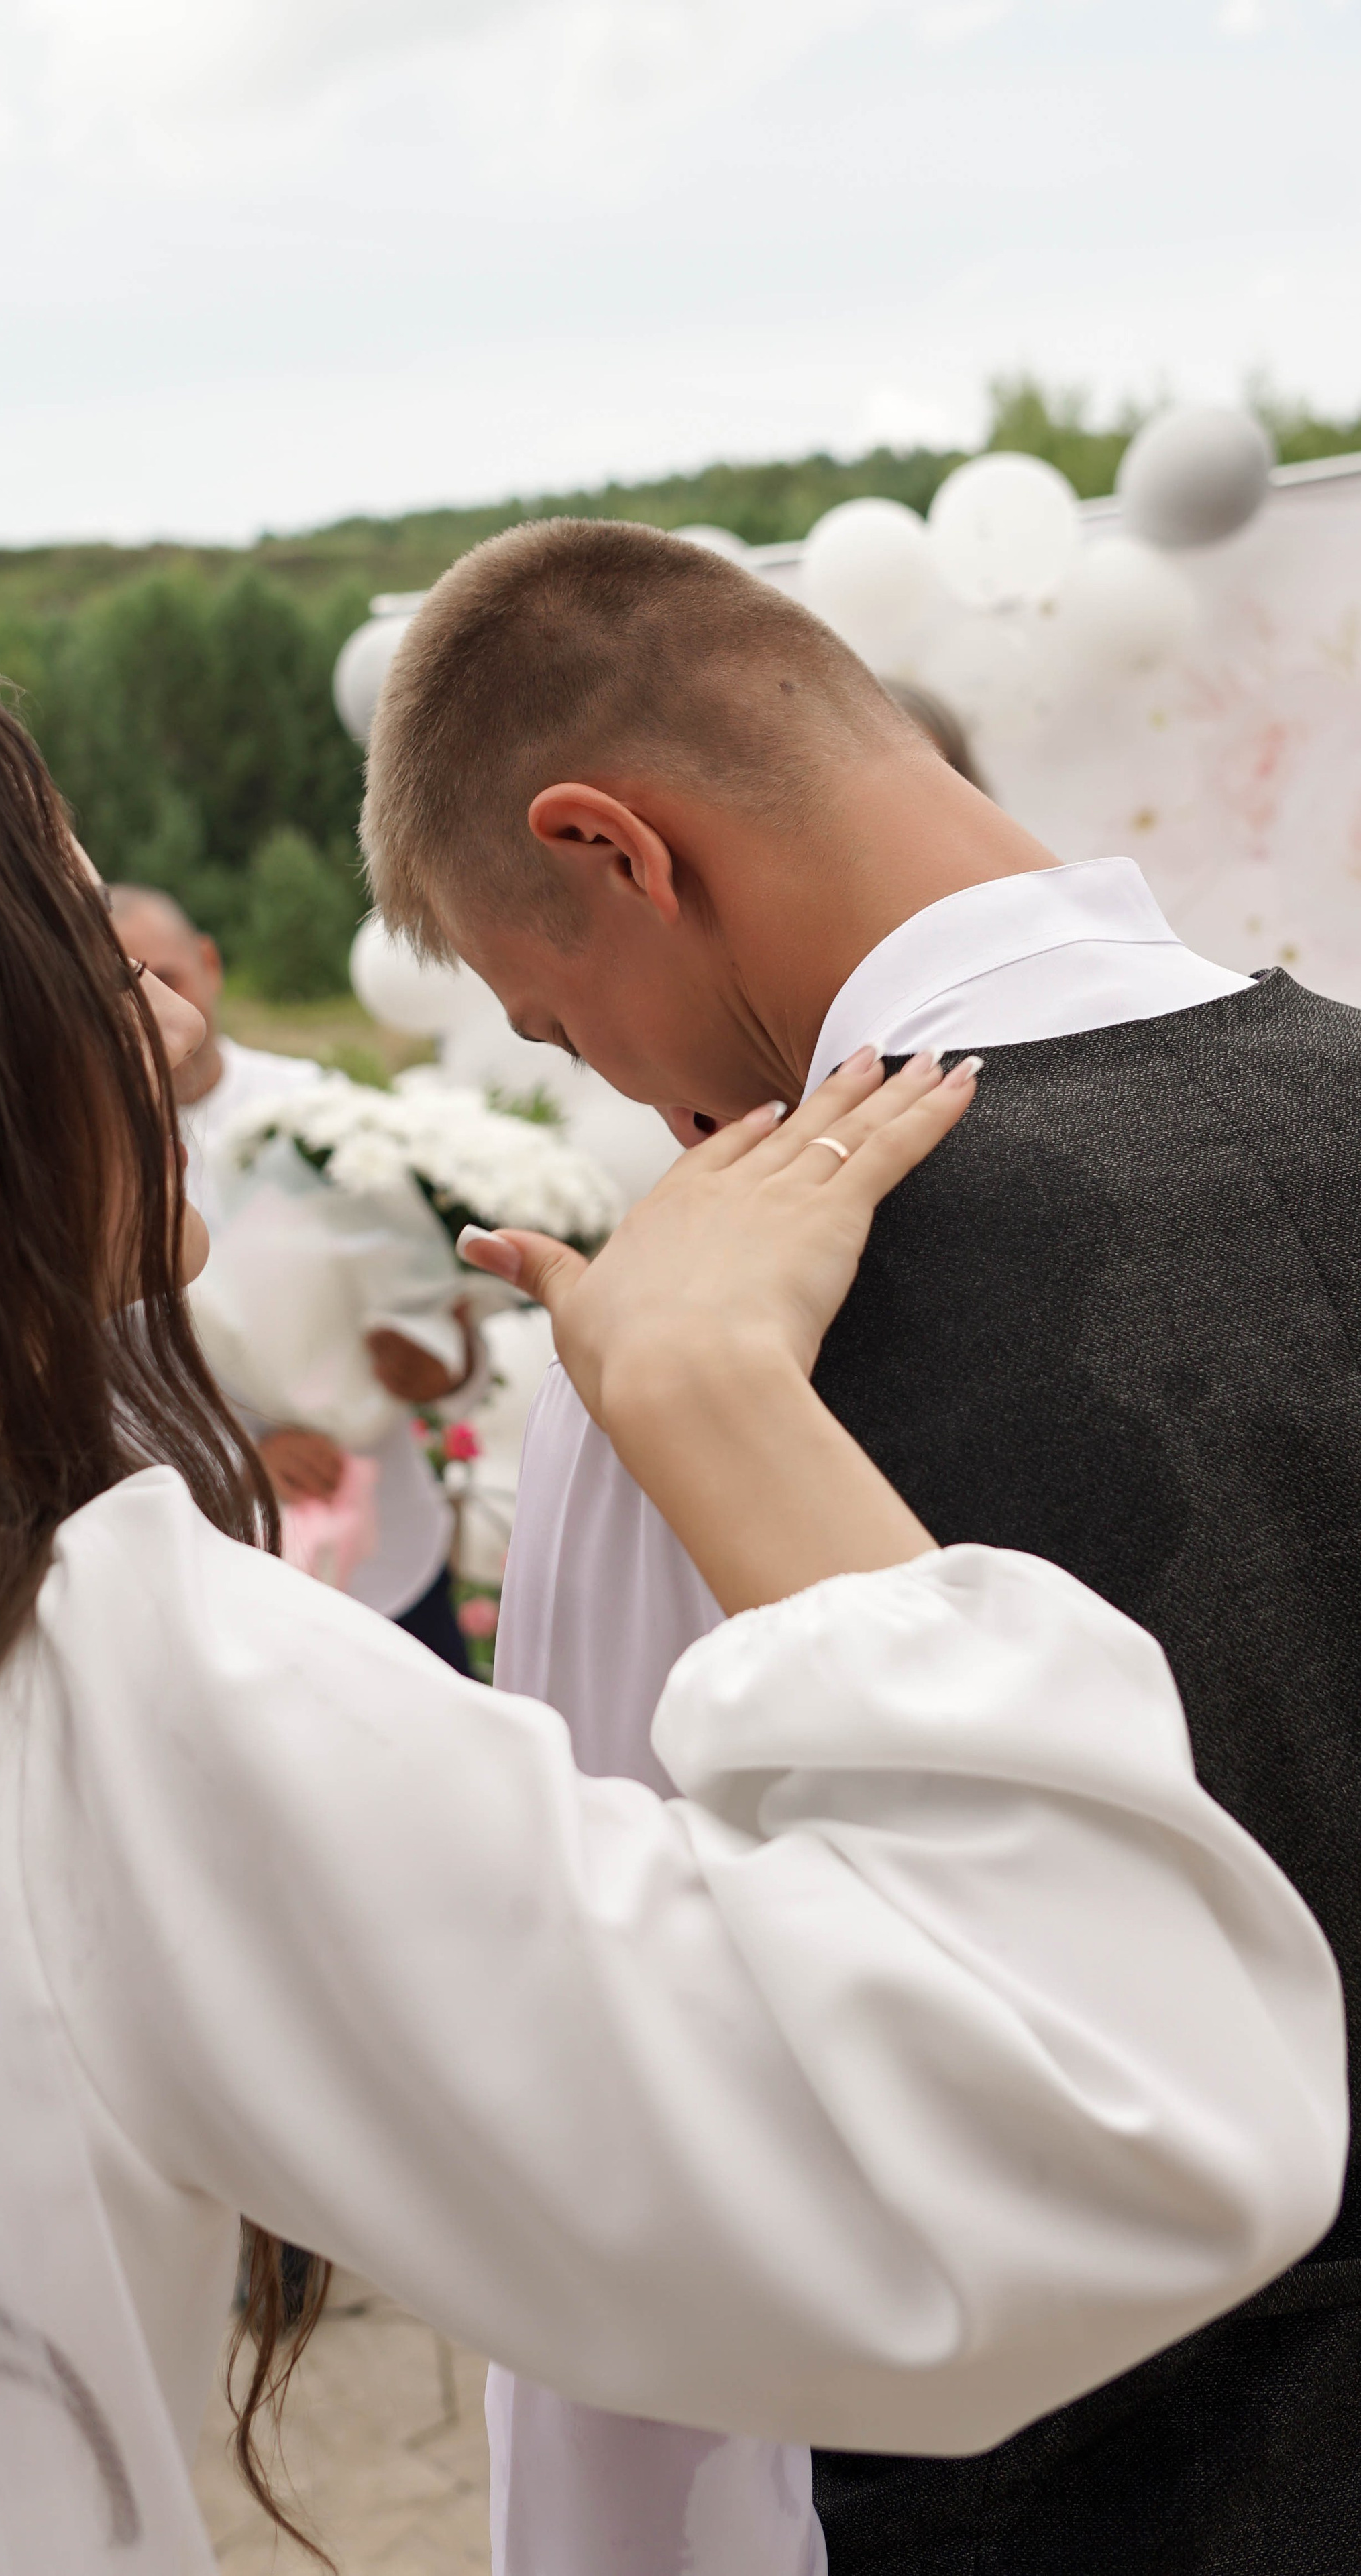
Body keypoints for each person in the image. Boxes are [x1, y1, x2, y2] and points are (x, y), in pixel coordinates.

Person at [0, 672, 1346, 2576]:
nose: (178, 1020)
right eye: (88, 962)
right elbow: (1112, 2133)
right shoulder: (91, 1685)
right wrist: (724, 1402)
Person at [360, 513, 1361, 2576]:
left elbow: (651, 2165)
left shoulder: (706, 1347)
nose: (619, 1092)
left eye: (560, 1021)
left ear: (614, 849)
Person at [110, 882, 479, 1669]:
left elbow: (426, 1295)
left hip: (390, 1541)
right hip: (225, 1566)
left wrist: (439, 1357)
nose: (152, 1013)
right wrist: (236, 1458)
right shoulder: (96, 1160)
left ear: (209, 964)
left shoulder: (320, 1112)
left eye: (165, 977)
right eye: (116, 992)